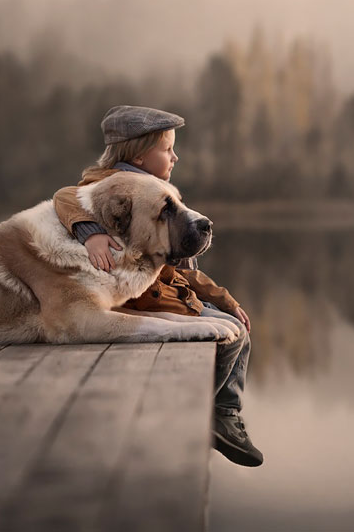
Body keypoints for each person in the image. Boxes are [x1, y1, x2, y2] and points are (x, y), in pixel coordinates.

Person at [52, 105, 263, 467]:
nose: (175, 156)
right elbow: (66, 196)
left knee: (236, 328)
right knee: (231, 336)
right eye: (167, 149)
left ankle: (220, 413)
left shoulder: (156, 192)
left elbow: (181, 268)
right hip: (141, 300)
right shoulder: (112, 187)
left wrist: (222, 298)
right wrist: (89, 232)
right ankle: (207, 415)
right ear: (137, 154)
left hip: (165, 291)